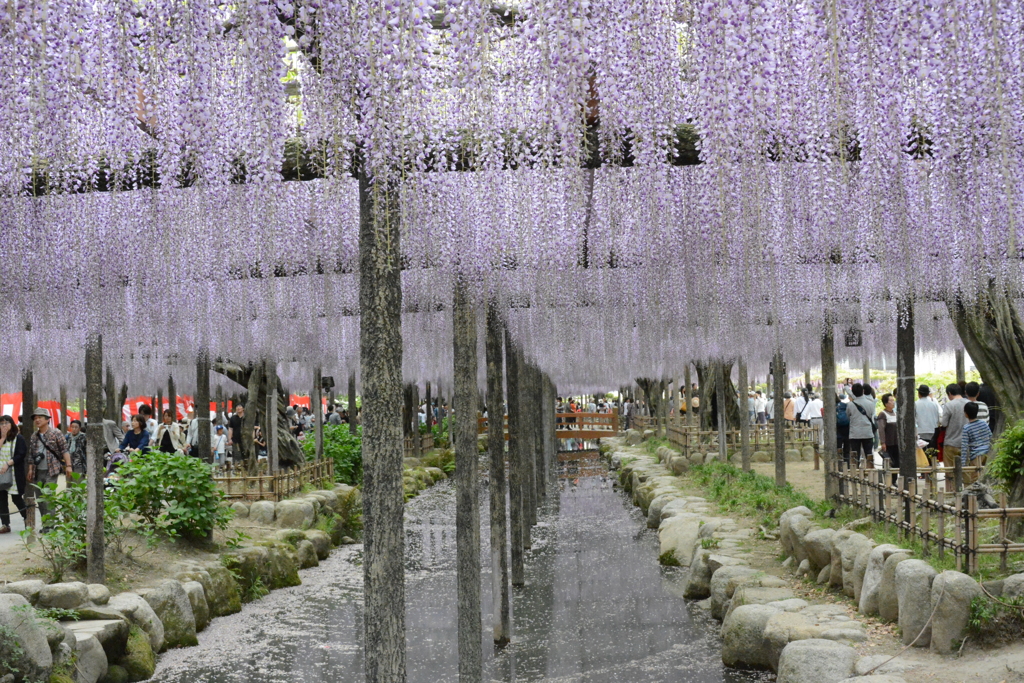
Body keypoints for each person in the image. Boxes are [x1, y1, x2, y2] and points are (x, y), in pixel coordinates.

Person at [25, 408, 72, 532]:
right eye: (35, 418)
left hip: (51, 470)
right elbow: (31, 454)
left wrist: (68, 465)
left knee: (49, 497)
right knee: (40, 498)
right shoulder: (34, 436)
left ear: (47, 419)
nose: (37, 420)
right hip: (37, 471)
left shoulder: (56, 433)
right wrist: (30, 469)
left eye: (40, 417)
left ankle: (50, 526)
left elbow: (64, 450)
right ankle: (45, 524)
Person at [0, 415, 28, 534]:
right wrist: (3, 438)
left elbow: (21, 454)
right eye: (1, 424)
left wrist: (8, 463)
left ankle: (28, 519)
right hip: (1, 473)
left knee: (16, 498)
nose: (4, 426)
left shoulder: (18, 438)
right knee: (1, 500)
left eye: (6, 423)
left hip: (13, 472)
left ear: (12, 424)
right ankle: (5, 524)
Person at [961, 401, 992, 485]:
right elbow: (990, 436)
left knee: (975, 478)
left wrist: (962, 463)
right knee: (986, 476)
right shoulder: (984, 424)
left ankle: (976, 497)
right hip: (987, 453)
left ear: (966, 414)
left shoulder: (966, 428)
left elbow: (964, 446)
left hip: (976, 455)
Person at [940, 383, 969, 470]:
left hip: (951, 442)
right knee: (967, 471)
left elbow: (944, 423)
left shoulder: (949, 405)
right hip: (966, 443)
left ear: (949, 393)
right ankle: (968, 484)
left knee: (950, 472)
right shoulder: (969, 403)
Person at [846, 383, 876, 466]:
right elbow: (871, 415)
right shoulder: (870, 403)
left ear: (853, 393)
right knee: (869, 454)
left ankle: (855, 473)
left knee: (855, 455)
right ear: (863, 391)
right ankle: (870, 472)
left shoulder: (850, 404)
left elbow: (848, 416)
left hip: (855, 433)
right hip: (867, 432)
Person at [876, 393, 900, 475]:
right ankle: (888, 480)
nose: (893, 402)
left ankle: (894, 479)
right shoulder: (883, 414)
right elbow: (881, 429)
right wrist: (883, 442)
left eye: (893, 400)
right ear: (886, 403)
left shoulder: (896, 413)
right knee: (889, 462)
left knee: (896, 462)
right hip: (888, 443)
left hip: (896, 442)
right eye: (891, 401)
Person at [915, 385, 940, 450]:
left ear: (919, 393)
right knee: (932, 452)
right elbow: (938, 417)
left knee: (923, 454)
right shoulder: (934, 404)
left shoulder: (916, 404)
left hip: (921, 432)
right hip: (933, 431)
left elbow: (914, 420)